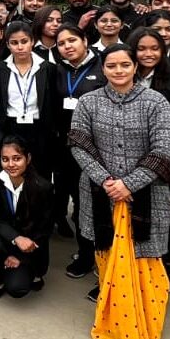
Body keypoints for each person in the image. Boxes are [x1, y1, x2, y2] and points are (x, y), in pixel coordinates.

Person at [69, 43, 170, 339]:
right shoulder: (88, 102)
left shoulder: (156, 102)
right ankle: (114, 320)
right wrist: (106, 181)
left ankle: (146, 324)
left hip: (146, 195)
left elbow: (163, 151)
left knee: (146, 258)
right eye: (112, 65)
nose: (118, 70)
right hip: (100, 192)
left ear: (135, 67)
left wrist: (129, 184)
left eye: (125, 65)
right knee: (107, 255)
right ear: (102, 69)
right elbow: (79, 144)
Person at [127, 27, 170, 291]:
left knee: (166, 214)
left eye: (154, 48)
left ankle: (167, 263)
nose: (148, 54)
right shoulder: (123, 74)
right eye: (141, 48)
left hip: (165, 161)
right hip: (127, 159)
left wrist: (161, 154)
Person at [53, 24, 106, 263]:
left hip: (96, 148)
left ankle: (99, 253)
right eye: (61, 44)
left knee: (95, 201)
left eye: (72, 40)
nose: (67, 46)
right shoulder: (58, 70)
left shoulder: (103, 65)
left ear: (85, 40)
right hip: (65, 146)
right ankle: (85, 252)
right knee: (77, 198)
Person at [0, 136, 54, 300]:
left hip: (30, 246)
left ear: (28, 158)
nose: (11, 164)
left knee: (17, 289)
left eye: (17, 158)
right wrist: (15, 238)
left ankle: (32, 272)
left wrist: (20, 257)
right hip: (5, 239)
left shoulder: (43, 187)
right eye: (5, 159)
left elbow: (44, 228)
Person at [0, 22, 55, 176]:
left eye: (24, 41)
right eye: (14, 43)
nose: (20, 47)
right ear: (8, 45)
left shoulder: (47, 68)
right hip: (10, 127)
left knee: (40, 173)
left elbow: (52, 101)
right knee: (12, 172)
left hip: (38, 128)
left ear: (32, 41)